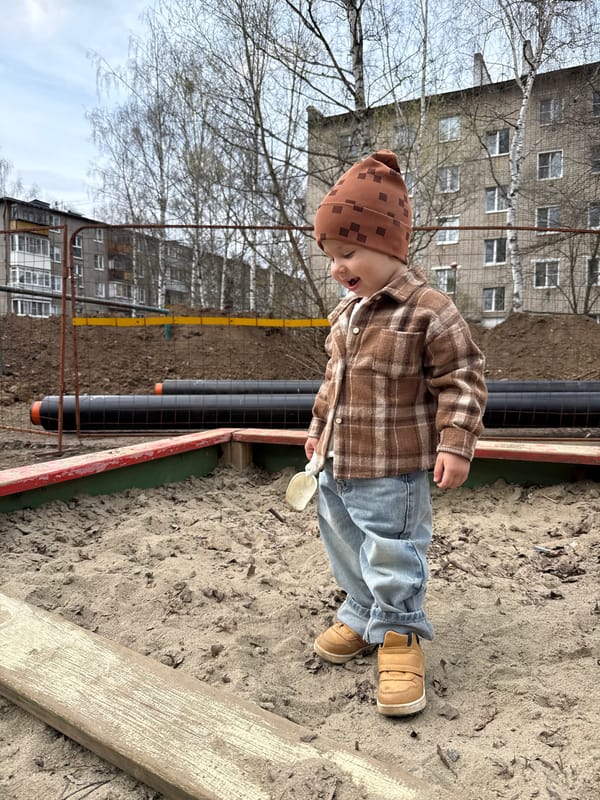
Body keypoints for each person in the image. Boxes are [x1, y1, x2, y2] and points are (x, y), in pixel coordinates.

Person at [305, 149, 487, 717]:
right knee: (345, 543)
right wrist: (317, 434)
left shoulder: (427, 310)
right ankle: (362, 614)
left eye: (348, 252)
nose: (338, 267)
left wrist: (456, 442)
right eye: (331, 256)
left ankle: (401, 632)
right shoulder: (346, 313)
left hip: (393, 468)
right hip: (339, 464)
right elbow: (332, 384)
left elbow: (463, 378)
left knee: (392, 548)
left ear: (387, 244)